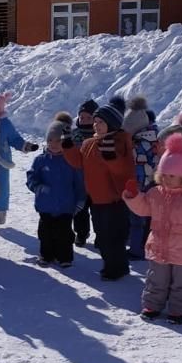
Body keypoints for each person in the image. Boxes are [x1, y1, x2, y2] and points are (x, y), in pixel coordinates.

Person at [123, 133, 182, 324]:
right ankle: (152, 305)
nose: (167, 179)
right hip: (159, 245)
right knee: (156, 279)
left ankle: (178, 310)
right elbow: (143, 208)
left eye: (172, 176)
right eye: (164, 174)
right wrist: (133, 196)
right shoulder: (155, 193)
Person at [62, 96, 134, 280]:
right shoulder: (89, 143)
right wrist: (68, 145)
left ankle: (115, 268)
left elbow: (124, 170)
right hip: (96, 198)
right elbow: (78, 163)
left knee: (113, 237)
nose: (96, 125)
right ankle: (114, 265)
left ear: (112, 123)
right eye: (95, 122)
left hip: (114, 199)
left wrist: (111, 157)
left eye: (100, 122)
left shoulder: (120, 140)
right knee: (102, 236)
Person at [26, 121, 85, 267]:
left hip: (66, 205)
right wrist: (37, 187)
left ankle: (64, 257)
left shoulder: (70, 160)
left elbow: (79, 182)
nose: (53, 144)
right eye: (50, 140)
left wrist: (81, 199)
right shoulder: (41, 160)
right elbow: (31, 176)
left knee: (64, 234)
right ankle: (46, 255)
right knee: (45, 233)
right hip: (45, 205)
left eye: (58, 140)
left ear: (64, 141)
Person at [0, 93, 38, 224]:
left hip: (2, 160)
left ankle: (1, 211)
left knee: (2, 186)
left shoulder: (6, 124)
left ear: (2, 109)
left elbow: (15, 139)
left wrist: (26, 146)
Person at [122, 95, 159, 260]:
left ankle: (137, 250)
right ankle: (146, 246)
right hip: (153, 184)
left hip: (141, 185)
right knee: (148, 219)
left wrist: (138, 189)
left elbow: (139, 168)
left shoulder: (139, 145)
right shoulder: (154, 137)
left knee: (137, 219)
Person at [71, 98, 98, 246]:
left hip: (96, 181)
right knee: (80, 211)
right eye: (82, 117)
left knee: (98, 212)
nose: (85, 120)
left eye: (89, 117)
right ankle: (81, 234)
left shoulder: (99, 134)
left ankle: (100, 236)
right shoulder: (75, 134)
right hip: (79, 180)